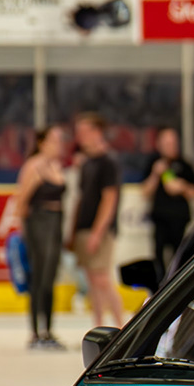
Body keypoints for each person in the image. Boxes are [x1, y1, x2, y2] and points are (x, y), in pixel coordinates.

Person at [10, 124, 71, 350]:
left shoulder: (56, 166)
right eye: (54, 140)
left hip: (56, 222)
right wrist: (26, 232)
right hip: (39, 222)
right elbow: (22, 202)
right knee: (39, 275)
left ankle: (48, 329)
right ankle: (36, 331)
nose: (59, 145)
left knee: (50, 276)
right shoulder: (34, 166)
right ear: (42, 143)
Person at [69, 112, 126, 330]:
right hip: (84, 227)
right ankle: (98, 324)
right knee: (92, 279)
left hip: (98, 228)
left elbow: (109, 199)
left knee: (102, 277)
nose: (80, 136)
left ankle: (121, 325)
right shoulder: (86, 163)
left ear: (96, 132)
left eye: (83, 131)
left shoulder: (108, 162)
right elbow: (81, 198)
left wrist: (97, 232)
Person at [142, 126, 194, 286]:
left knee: (179, 254)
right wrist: (155, 174)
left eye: (173, 142)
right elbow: (145, 192)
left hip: (179, 218)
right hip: (160, 217)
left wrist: (182, 187)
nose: (170, 146)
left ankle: (178, 284)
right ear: (159, 144)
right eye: (167, 143)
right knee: (158, 254)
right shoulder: (154, 163)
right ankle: (159, 287)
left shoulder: (184, 164)